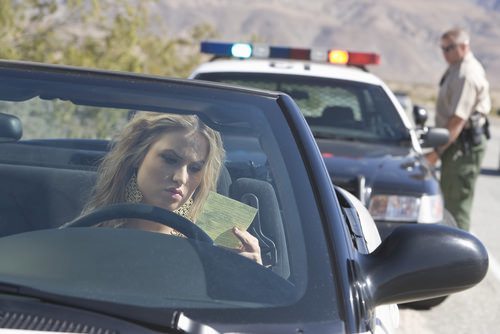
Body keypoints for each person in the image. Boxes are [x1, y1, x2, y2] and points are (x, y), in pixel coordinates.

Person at [82, 112, 262, 264]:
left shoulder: (220, 233)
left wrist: (251, 277)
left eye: (195, 168)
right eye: (170, 159)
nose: (180, 178)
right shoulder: (93, 227)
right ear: (137, 156)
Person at [426, 28, 491, 231]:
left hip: (462, 146)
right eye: (443, 48)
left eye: (449, 48)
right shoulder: (456, 67)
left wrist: (436, 153)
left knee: (456, 208)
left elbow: (457, 121)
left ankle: (462, 260)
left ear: (464, 46)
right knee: (448, 201)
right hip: (454, 144)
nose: (444, 53)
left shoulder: (466, 74)